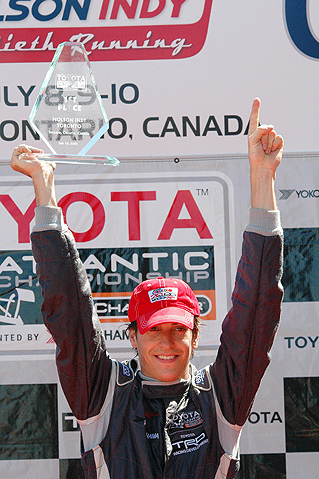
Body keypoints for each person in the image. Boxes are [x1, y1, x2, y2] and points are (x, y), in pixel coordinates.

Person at [11, 98, 284, 479]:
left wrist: (262, 178)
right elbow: (69, 308)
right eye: (153, 329)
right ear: (133, 337)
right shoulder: (104, 393)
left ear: (194, 335)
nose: (167, 342)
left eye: (177, 329)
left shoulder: (221, 395)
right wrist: (45, 189)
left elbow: (256, 309)